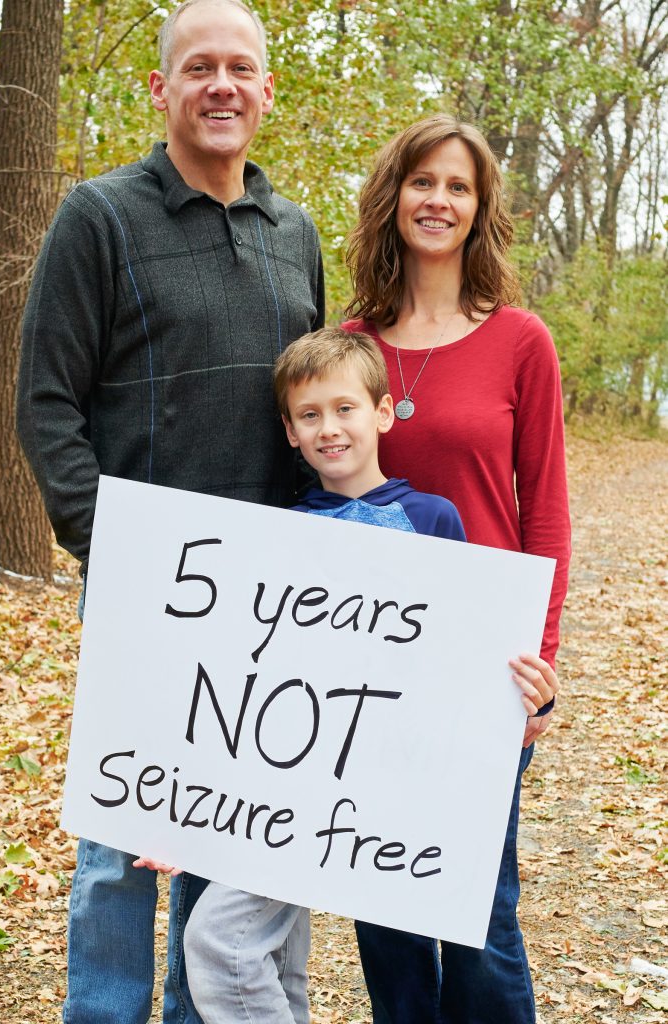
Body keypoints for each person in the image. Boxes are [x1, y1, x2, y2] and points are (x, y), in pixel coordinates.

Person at [16, 1, 324, 1021]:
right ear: (163, 88)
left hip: (269, 601)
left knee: (227, 839)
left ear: (268, 90)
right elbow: (47, 404)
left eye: (242, 67)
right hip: (150, 593)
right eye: (200, 68)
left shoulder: (296, 233)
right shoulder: (98, 217)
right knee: (120, 850)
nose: (222, 84)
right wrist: (115, 550)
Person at [136, 326, 557, 1023]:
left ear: (382, 414)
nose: (328, 429)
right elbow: (252, 687)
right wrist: (186, 814)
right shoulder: (282, 533)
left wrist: (525, 687)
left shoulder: (432, 519)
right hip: (303, 784)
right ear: (289, 433)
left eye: (344, 409)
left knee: (467, 924)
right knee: (253, 946)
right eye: (309, 416)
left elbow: (467, 645)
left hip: (405, 777)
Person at [342, 113, 571, 1024]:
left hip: (479, 661)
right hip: (370, 656)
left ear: (478, 212)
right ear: (392, 196)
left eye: (457, 187)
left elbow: (544, 510)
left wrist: (539, 663)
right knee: (380, 897)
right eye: (421, 181)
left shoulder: (521, 341)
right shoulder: (350, 343)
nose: (437, 200)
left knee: (477, 907)